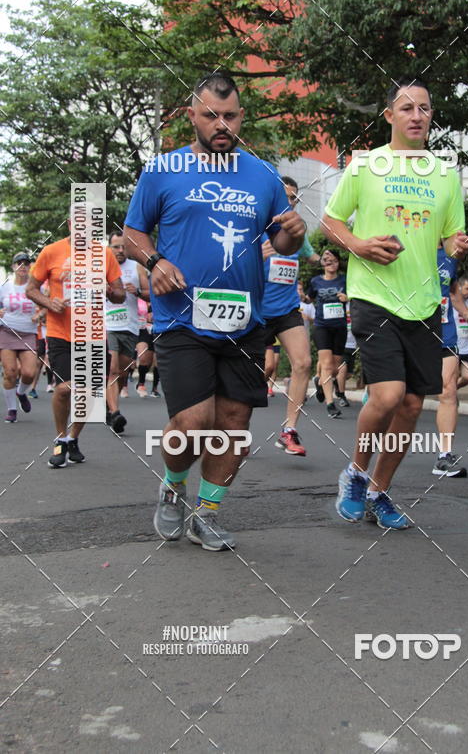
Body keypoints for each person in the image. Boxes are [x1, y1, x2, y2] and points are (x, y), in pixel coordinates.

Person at [123, 71, 305, 550]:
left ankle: (207, 512)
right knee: (193, 422)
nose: (221, 124)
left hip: (245, 320)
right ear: (192, 117)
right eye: (211, 115)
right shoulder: (162, 170)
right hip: (181, 316)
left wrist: (294, 233)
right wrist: (155, 261)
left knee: (234, 425)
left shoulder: (263, 175)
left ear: (241, 117)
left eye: (230, 116)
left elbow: (280, 240)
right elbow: (133, 234)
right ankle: (172, 485)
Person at [322, 76, 468, 529]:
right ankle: (356, 472)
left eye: (424, 108)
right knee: (386, 395)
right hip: (374, 296)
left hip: (425, 303)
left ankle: (379, 493)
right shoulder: (366, 166)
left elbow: (449, 237)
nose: (416, 116)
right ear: (389, 116)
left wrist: (457, 245)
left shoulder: (445, 175)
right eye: (406, 108)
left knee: (410, 406)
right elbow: (330, 223)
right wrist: (359, 245)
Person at [26, 220, 124, 468]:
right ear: (71, 224)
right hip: (61, 332)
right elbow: (31, 289)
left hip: (93, 333)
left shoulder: (105, 254)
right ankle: (60, 440)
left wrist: (109, 290)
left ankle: (73, 438)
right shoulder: (51, 252)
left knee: (88, 392)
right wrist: (50, 303)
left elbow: (120, 293)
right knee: (63, 389)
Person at [262, 176, 319, 456]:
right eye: (284, 196)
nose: (289, 201)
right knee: (258, 371)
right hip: (256, 312)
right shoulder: (257, 227)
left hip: (287, 309)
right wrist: (254, 254)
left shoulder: (298, 234)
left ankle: (288, 430)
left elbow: (314, 257)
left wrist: (350, 255)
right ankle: (233, 428)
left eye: (293, 197)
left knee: (303, 362)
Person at [434, 245, 468, 478]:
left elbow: (452, 291)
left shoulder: (450, 258)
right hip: (413, 330)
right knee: (402, 398)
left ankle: (444, 456)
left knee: (449, 391)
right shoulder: (409, 244)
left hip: (445, 331)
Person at [105, 231, 150, 433]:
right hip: (107, 326)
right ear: (109, 247)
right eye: (116, 247)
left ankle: (109, 404)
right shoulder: (100, 267)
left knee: (122, 372)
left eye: (123, 247)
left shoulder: (136, 266)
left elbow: (152, 295)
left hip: (130, 327)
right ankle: (115, 414)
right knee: (113, 370)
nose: (121, 251)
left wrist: (139, 292)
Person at [307, 250, 348, 418]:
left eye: (334, 260)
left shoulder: (345, 280)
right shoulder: (315, 281)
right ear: (323, 264)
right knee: (326, 365)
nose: (330, 262)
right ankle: (330, 404)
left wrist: (348, 297)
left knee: (335, 370)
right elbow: (309, 298)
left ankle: (319, 383)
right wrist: (302, 297)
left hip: (339, 327)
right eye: (326, 260)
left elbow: (355, 295)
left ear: (338, 263)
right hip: (321, 326)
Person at [0, 253, 38, 422]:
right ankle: (12, 409)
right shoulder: (4, 287)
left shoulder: (35, 287)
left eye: (26, 263)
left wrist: (40, 314)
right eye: (19, 263)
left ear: (30, 267)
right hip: (7, 331)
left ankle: (21, 392)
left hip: (28, 332)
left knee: (29, 373)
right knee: (10, 372)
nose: (23, 266)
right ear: (13, 266)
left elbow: (46, 304)